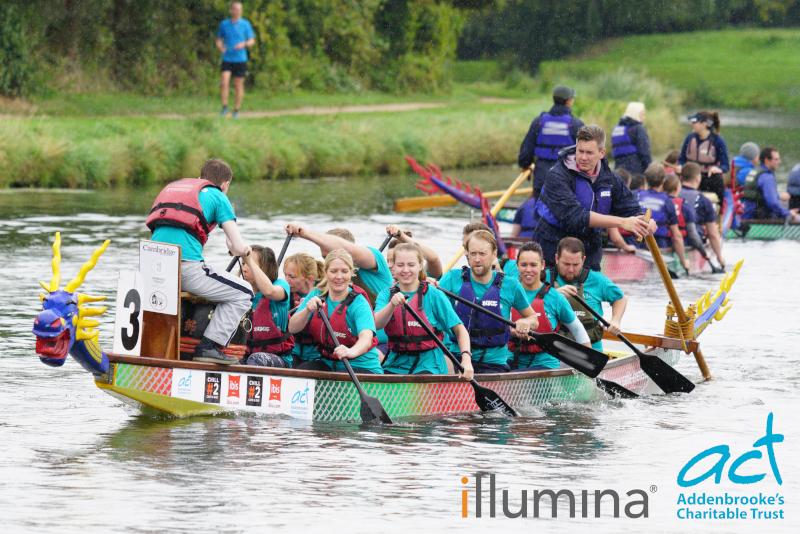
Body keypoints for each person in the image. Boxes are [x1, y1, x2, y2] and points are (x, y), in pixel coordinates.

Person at [146, 159, 253, 364]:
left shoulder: (175, 190)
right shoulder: (219, 196)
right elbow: (237, 248)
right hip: (185, 270)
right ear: (225, 185)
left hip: (152, 268)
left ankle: (155, 350)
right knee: (244, 293)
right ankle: (208, 347)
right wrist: (246, 250)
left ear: (199, 178)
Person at [529, 125, 655, 270]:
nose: (583, 157)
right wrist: (622, 222)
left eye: (589, 153)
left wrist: (645, 221)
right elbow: (574, 217)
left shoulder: (610, 178)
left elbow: (631, 207)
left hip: (589, 251)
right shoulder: (557, 175)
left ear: (602, 153)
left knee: (592, 291)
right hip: (553, 249)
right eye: (580, 151)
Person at [438, 231, 538, 374]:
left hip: (493, 363)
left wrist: (527, 322)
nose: (477, 259)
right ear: (467, 255)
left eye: (482, 254)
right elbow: (430, 305)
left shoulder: (510, 285)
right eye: (473, 254)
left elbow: (534, 318)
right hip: (457, 357)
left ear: (494, 253)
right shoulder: (452, 279)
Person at [374, 243, 473, 378]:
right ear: (393, 267)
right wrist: (391, 305)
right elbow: (377, 324)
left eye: (411, 265)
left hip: (429, 364)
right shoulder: (385, 295)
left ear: (420, 266)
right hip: (396, 362)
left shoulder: (434, 294)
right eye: (400, 265)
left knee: (420, 384)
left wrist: (466, 360)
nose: (405, 270)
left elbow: (460, 330)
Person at [287, 250, 384, 374]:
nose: (339, 277)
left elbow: (366, 338)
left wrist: (350, 352)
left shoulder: (359, 303)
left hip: (360, 366)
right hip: (328, 363)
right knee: (301, 373)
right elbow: (292, 328)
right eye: (333, 271)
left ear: (351, 273)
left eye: (344, 271)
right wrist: (306, 310)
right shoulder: (317, 294)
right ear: (326, 272)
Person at [509, 242, 590, 370]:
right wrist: (513, 331)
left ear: (542, 265)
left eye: (533, 265)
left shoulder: (555, 297)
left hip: (545, 363)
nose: (528, 270)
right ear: (517, 266)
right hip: (512, 360)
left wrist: (588, 363)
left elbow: (578, 331)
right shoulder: (508, 293)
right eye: (524, 265)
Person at [546, 238, 627, 353]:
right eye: (566, 264)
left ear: (583, 260)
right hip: (555, 349)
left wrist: (615, 320)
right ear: (556, 258)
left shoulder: (597, 279)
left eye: (575, 264)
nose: (570, 269)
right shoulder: (543, 278)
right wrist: (553, 294)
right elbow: (526, 302)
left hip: (592, 349)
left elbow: (621, 298)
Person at [284, 224, 393, 305]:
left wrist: (304, 233)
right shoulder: (326, 282)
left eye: (331, 257)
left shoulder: (375, 260)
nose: (328, 262)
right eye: (325, 258)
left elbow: (347, 249)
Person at [518, 85, 585, 197]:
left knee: (541, 211)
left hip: (542, 179)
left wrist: (525, 165)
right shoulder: (576, 124)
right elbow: (587, 154)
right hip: (566, 180)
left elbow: (526, 152)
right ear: (568, 101)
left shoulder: (538, 122)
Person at [241, 245, 293, 367]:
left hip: (279, 358)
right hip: (247, 354)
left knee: (255, 360)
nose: (244, 268)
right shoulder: (241, 291)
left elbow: (269, 291)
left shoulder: (281, 285)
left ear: (265, 268)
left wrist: (249, 260)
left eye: (250, 264)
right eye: (243, 263)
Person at [637, 163, 689, 271]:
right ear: (663, 181)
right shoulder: (667, 201)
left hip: (637, 245)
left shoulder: (635, 195)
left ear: (646, 180)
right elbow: (676, 236)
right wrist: (684, 262)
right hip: (660, 245)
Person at [678, 111, 729, 206]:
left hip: (709, 178)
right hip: (690, 176)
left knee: (718, 181)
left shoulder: (718, 141)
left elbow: (725, 166)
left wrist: (718, 169)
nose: (692, 125)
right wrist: (680, 166)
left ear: (704, 124)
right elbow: (681, 159)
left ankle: (719, 212)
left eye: (694, 122)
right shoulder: (689, 138)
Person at [680, 163, 725, 269]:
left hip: (669, 240)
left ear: (681, 178)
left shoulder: (670, 195)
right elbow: (713, 234)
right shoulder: (704, 201)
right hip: (691, 241)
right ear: (698, 178)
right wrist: (719, 257)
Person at [283, 252, 324, 367]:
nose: (286, 280)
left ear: (309, 279)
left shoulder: (323, 295)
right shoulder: (285, 295)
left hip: (318, 355)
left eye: (291, 277)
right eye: (285, 275)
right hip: (293, 353)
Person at [216, 2, 255, 118]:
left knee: (238, 85)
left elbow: (252, 41)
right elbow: (218, 39)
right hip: (227, 58)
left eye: (240, 9)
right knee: (224, 82)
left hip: (240, 59)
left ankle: (236, 110)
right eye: (236, 9)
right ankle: (224, 108)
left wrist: (244, 44)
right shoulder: (224, 24)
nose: (238, 11)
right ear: (231, 10)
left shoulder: (245, 24)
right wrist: (220, 47)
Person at [742, 147, 799, 221]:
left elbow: (760, 195)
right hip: (761, 220)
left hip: (748, 216)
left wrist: (777, 195)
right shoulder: (766, 177)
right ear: (767, 161)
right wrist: (788, 213)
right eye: (776, 159)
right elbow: (772, 203)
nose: (779, 162)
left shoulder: (755, 171)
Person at [612, 102, 652, 174]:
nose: (644, 117)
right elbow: (644, 152)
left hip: (618, 172)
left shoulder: (617, 129)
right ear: (636, 114)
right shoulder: (639, 128)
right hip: (636, 172)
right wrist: (650, 169)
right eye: (642, 114)